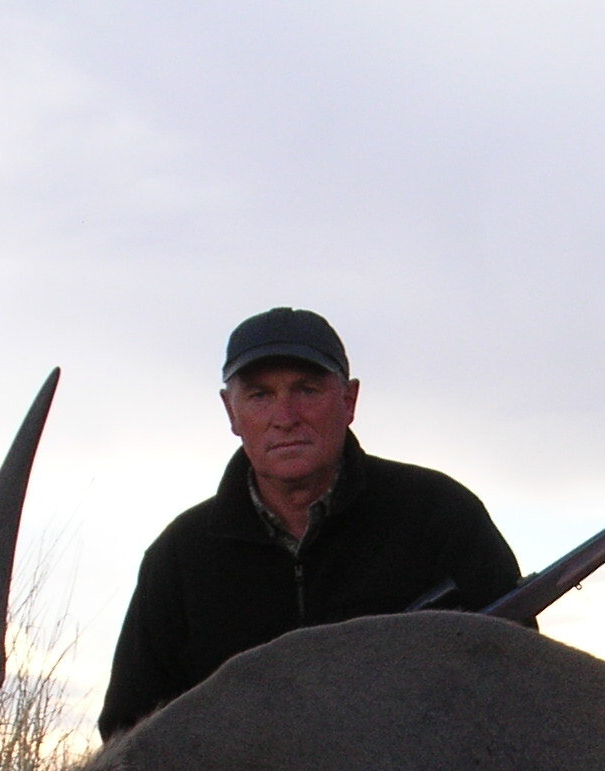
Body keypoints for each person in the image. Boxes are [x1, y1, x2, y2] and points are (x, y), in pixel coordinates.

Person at [97, 308, 524, 740]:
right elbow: (127, 733)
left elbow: (522, 685)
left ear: (349, 400)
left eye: (307, 389)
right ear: (231, 411)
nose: (286, 416)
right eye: (260, 395)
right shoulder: (179, 556)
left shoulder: (441, 515)